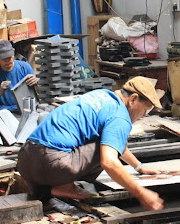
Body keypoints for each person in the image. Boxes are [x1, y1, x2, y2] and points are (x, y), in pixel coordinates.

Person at [16, 76, 165, 210]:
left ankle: (53, 188)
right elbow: (109, 162)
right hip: (52, 162)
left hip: (26, 161)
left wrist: (139, 167)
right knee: (105, 146)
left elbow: (117, 143)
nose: (144, 116)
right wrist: (141, 193)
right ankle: (65, 185)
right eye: (145, 110)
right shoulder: (120, 116)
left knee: (109, 141)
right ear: (133, 99)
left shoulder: (101, 95)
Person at [0, 40, 37, 112]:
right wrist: (0, 90)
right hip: (4, 110)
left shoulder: (25, 67)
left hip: (26, 108)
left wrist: (35, 82)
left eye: (9, 57)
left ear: (13, 53)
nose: (8, 61)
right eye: (3, 59)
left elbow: (38, 93)